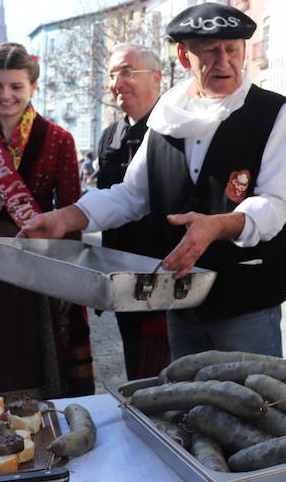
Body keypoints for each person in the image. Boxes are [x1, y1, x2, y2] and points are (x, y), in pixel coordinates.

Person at [23, 3, 286, 359]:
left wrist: (217, 226)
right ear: (185, 57)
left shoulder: (274, 113)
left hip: (245, 300)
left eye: (233, 50)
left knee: (254, 400)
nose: (224, 62)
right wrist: (65, 218)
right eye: (210, 52)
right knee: (185, 404)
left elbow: (275, 205)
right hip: (181, 295)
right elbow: (130, 195)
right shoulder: (167, 116)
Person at [0, 42, 93, 400]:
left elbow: (72, 211)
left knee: (30, 364)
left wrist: (69, 276)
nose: (5, 95)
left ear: (33, 87)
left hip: (36, 267)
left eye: (16, 86)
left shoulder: (59, 140)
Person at [97, 43, 169, 380]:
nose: (117, 82)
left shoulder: (174, 129)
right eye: (112, 74)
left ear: (156, 78)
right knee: (135, 370)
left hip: (164, 277)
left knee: (164, 374)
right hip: (122, 276)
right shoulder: (111, 135)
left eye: (127, 71)